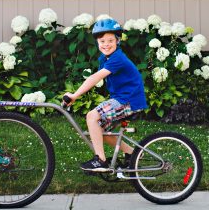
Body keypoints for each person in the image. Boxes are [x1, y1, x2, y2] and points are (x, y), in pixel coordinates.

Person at [63, 18, 148, 172]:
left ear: (117, 41)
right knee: (100, 130)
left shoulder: (118, 58)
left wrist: (74, 95)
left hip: (128, 100)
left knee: (92, 116)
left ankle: (100, 160)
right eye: (102, 41)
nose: (106, 44)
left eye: (110, 40)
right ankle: (132, 153)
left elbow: (95, 77)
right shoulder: (104, 58)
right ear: (97, 42)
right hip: (123, 99)